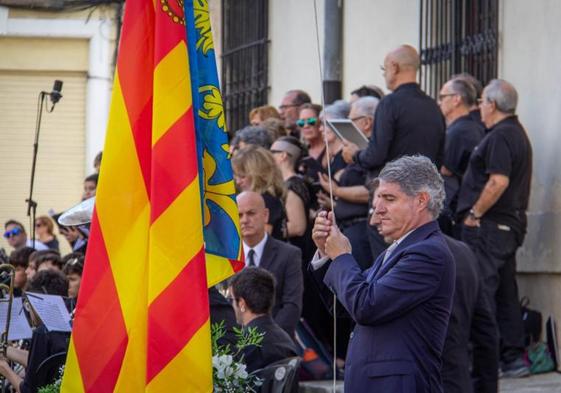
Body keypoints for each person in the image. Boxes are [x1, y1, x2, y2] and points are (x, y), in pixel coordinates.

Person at [312, 155, 455, 393]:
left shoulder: (428, 252)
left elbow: (366, 306)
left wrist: (342, 257)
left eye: (389, 198)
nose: (377, 210)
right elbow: (342, 306)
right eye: (377, 198)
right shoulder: (398, 249)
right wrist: (326, 254)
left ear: (421, 201)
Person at [457, 79, 533, 377]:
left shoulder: (501, 136)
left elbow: (498, 181)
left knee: (482, 291)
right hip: (505, 227)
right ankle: (512, 357)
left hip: (490, 226)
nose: (478, 108)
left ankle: (487, 361)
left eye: (481, 102)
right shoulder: (514, 133)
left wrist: (475, 212)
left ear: (492, 104)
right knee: (504, 292)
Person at [341, 45, 446, 260]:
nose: (385, 75)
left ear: (394, 67)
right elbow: (439, 158)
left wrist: (355, 155)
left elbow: (376, 155)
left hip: (392, 200)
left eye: (384, 69)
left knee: (388, 263)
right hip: (424, 203)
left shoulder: (389, 103)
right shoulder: (434, 107)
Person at [318, 96, 379, 270]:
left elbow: (372, 191)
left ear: (367, 122)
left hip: (361, 228)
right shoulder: (359, 151)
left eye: (352, 121)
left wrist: (336, 190)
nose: (348, 126)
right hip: (348, 228)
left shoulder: (372, 153)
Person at [236, 191, 303, 336]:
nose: (244, 220)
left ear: (265, 215)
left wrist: (265, 339)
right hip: (235, 347)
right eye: (239, 215)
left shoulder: (289, 255)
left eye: (251, 213)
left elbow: (292, 306)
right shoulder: (228, 258)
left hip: (277, 345)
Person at [441, 236, 498, 393]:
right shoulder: (462, 251)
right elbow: (486, 333)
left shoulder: (410, 258)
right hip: (457, 380)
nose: (375, 218)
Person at [0, 269, 70, 393]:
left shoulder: (43, 332)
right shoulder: (69, 324)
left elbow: (29, 390)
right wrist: (6, 350)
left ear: (38, 302)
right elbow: (39, 362)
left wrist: (4, 368)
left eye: (28, 305)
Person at [437, 78, 485, 236]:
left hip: (459, 208)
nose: (439, 102)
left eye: (443, 97)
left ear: (456, 99)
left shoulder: (459, 131)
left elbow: (445, 168)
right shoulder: (474, 127)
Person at [227, 267, 297, 373]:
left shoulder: (246, 346)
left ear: (241, 303)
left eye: (230, 299)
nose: (230, 304)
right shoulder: (284, 338)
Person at [232, 145, 288, 240]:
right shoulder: (269, 198)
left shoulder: (267, 200)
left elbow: (260, 238)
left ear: (258, 174)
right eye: (236, 177)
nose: (238, 182)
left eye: (242, 176)